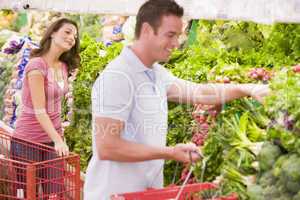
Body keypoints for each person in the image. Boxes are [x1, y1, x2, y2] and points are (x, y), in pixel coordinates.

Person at [84, 0, 269, 199]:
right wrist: (170, 152)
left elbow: (200, 93)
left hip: (144, 193)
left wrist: (247, 88)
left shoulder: (156, 73)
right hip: (114, 194)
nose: (176, 43)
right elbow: (108, 147)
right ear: (146, 30)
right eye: (170, 35)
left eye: (178, 36)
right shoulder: (117, 77)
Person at [11, 18, 80, 197]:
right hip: (28, 141)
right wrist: (58, 139)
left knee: (54, 193)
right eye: (67, 32)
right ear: (52, 33)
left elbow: (56, 103)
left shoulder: (64, 67)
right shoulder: (36, 65)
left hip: (52, 142)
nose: (72, 37)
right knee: (27, 194)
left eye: (75, 35)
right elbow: (39, 110)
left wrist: (59, 135)